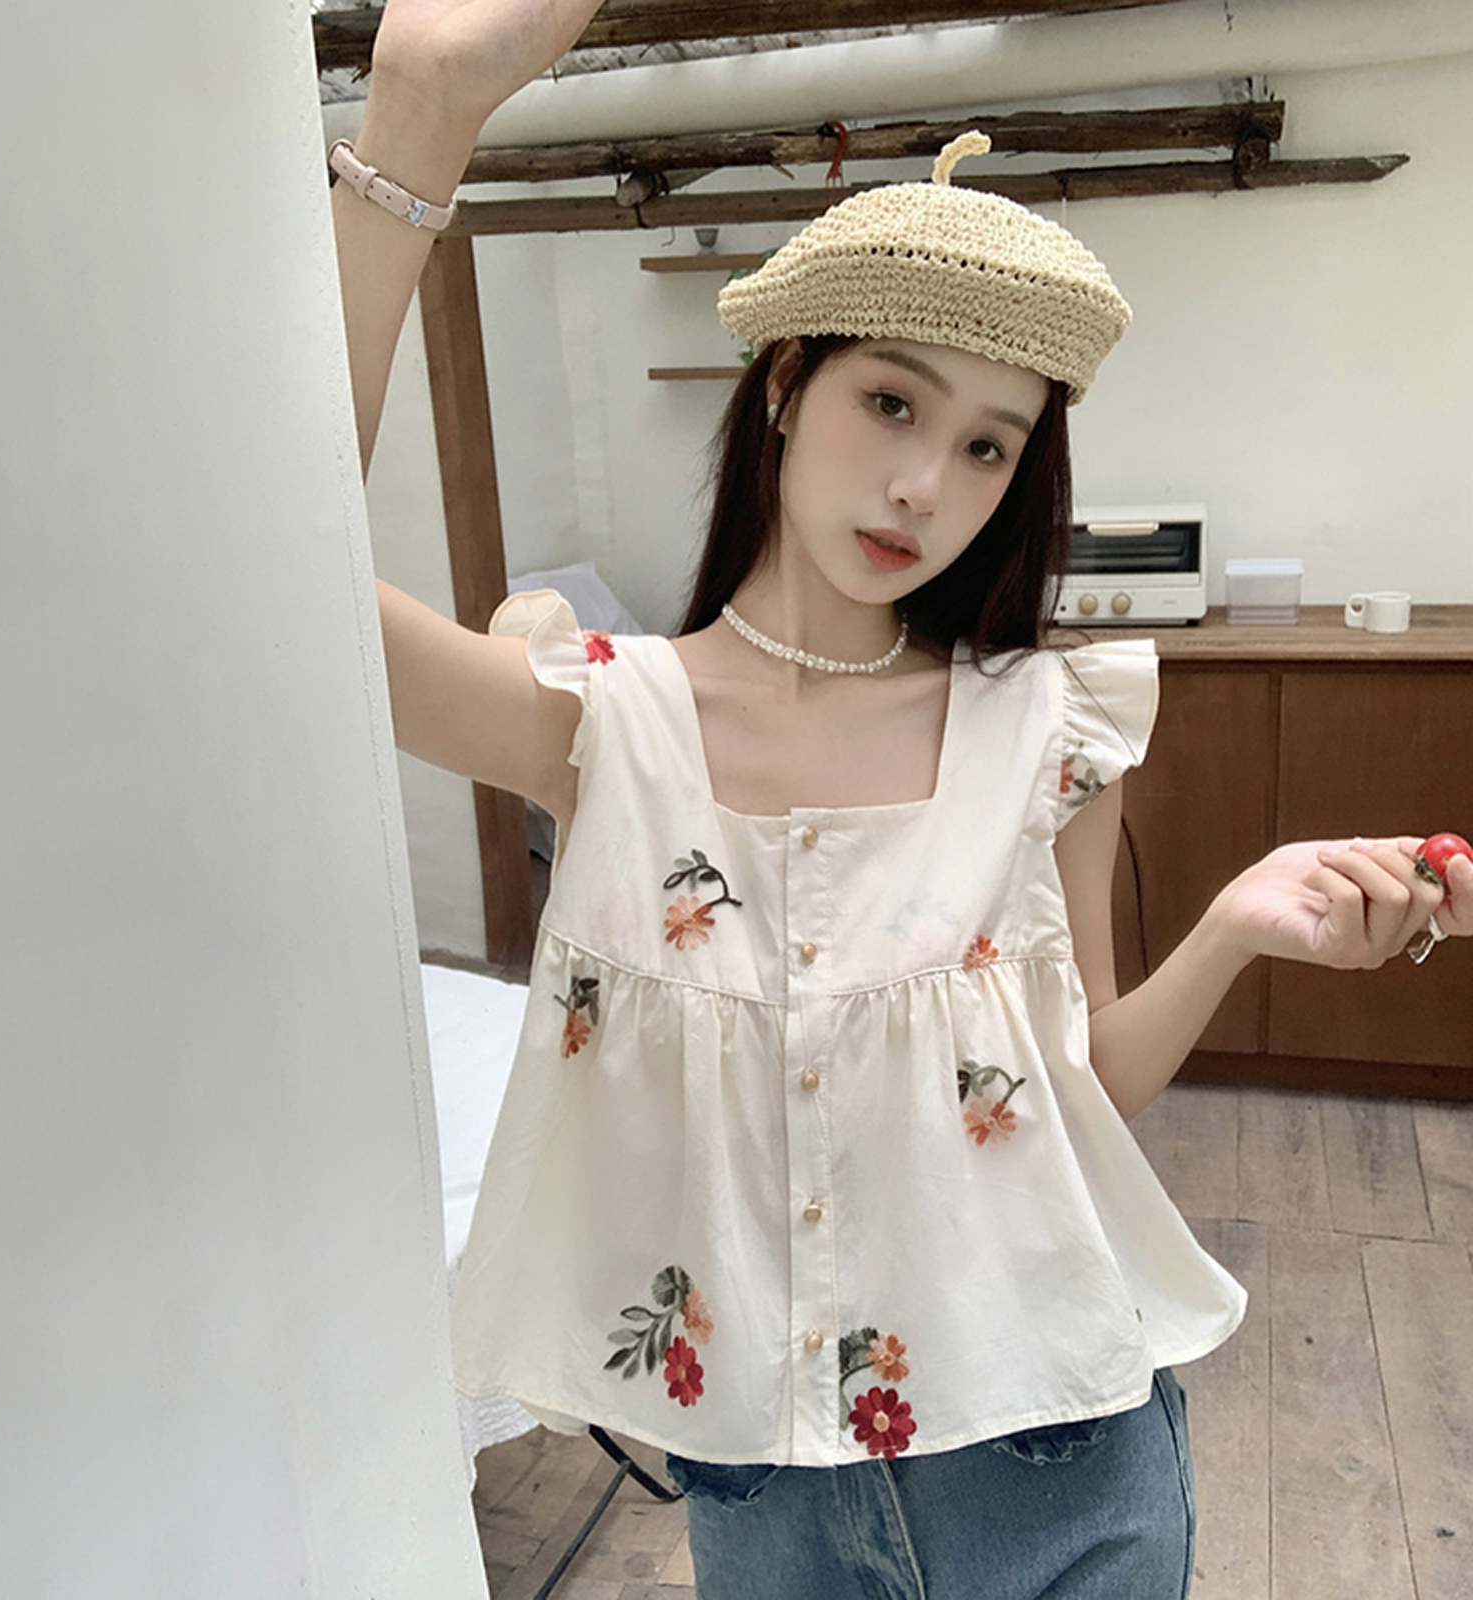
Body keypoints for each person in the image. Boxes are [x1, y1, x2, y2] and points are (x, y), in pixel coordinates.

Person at [331, 3, 1472, 1595]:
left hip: (1065, 1460)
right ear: (787, 384)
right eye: (893, 402)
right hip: (768, 1503)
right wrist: (417, 112)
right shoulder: (608, 723)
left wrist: (1231, 930)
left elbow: (1077, 1089)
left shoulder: (1046, 727)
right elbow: (278, 575)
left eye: (990, 447)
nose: (930, 486)